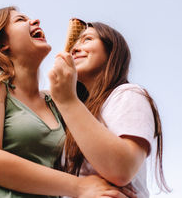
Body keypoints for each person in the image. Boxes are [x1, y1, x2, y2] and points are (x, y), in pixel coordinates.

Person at [0, 7, 134, 198]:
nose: (35, 20)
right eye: (20, 20)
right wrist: (80, 187)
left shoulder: (56, 102)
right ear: (2, 44)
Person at [49, 22, 171, 198]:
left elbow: (122, 168)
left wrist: (68, 100)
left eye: (87, 39)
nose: (74, 49)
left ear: (111, 51)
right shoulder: (80, 112)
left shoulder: (127, 94)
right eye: (75, 44)